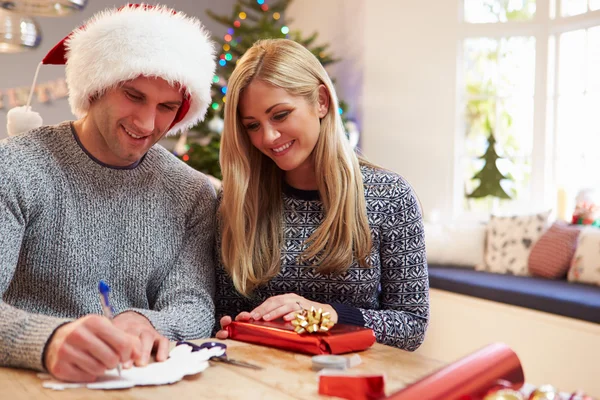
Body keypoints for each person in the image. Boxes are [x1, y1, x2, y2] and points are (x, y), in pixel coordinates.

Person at [0, 4, 217, 382]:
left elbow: (194, 305)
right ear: (95, 86)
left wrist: (146, 321)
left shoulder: (192, 192)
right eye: (133, 96)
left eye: (167, 107)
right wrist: (48, 340)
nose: (147, 123)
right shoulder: (16, 167)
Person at [214, 39, 429, 350]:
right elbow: (226, 310)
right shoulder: (237, 200)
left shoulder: (390, 197)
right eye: (252, 125)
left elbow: (411, 326)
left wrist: (329, 315)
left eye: (280, 115)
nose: (268, 137)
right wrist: (232, 327)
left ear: (322, 101)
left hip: (350, 382)